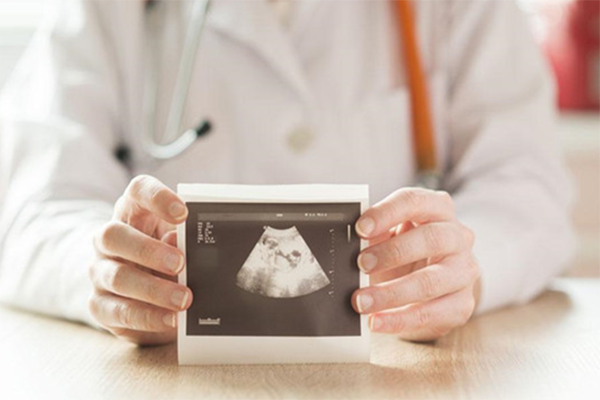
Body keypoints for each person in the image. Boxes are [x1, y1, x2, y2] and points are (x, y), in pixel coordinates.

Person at [0, 0, 575, 346]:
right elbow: (31, 208)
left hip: (389, 375)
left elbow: (528, 188)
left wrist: (461, 268)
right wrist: (103, 272)